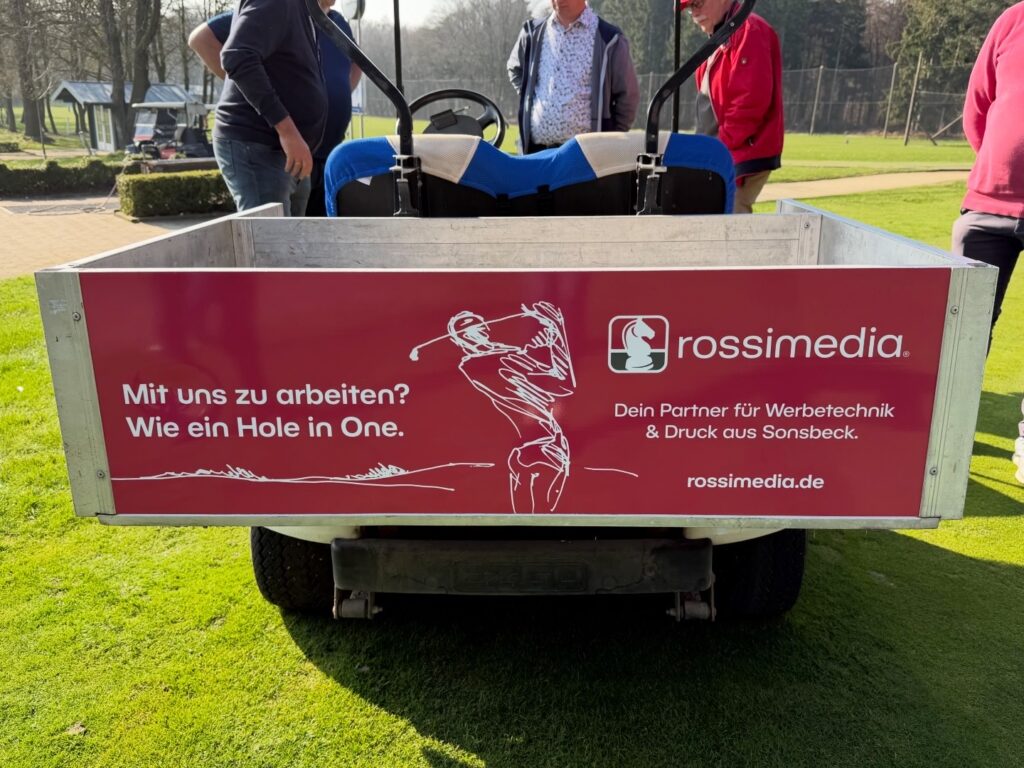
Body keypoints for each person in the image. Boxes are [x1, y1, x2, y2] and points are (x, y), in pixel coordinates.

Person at [190, 0, 361, 217]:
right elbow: (236, 56)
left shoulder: (309, 11)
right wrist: (287, 130)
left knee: (293, 237)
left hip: (294, 151)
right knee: (270, 236)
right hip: (260, 145)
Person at [952, 1, 1023, 349]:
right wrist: (1000, 168)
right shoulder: (1013, 20)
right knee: (962, 328)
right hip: (987, 208)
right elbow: (977, 108)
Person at [684, 0, 783, 213]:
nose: (694, 13)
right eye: (690, 8)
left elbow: (749, 103)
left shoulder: (749, 30)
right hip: (723, 152)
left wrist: (720, 149)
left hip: (738, 153)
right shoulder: (722, 36)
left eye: (698, 3)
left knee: (729, 220)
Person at [507, 0, 639, 154]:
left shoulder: (609, 39)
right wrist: (532, 99)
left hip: (586, 158)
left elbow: (628, 97)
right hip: (536, 154)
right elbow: (515, 69)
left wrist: (609, 140)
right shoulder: (532, 33)